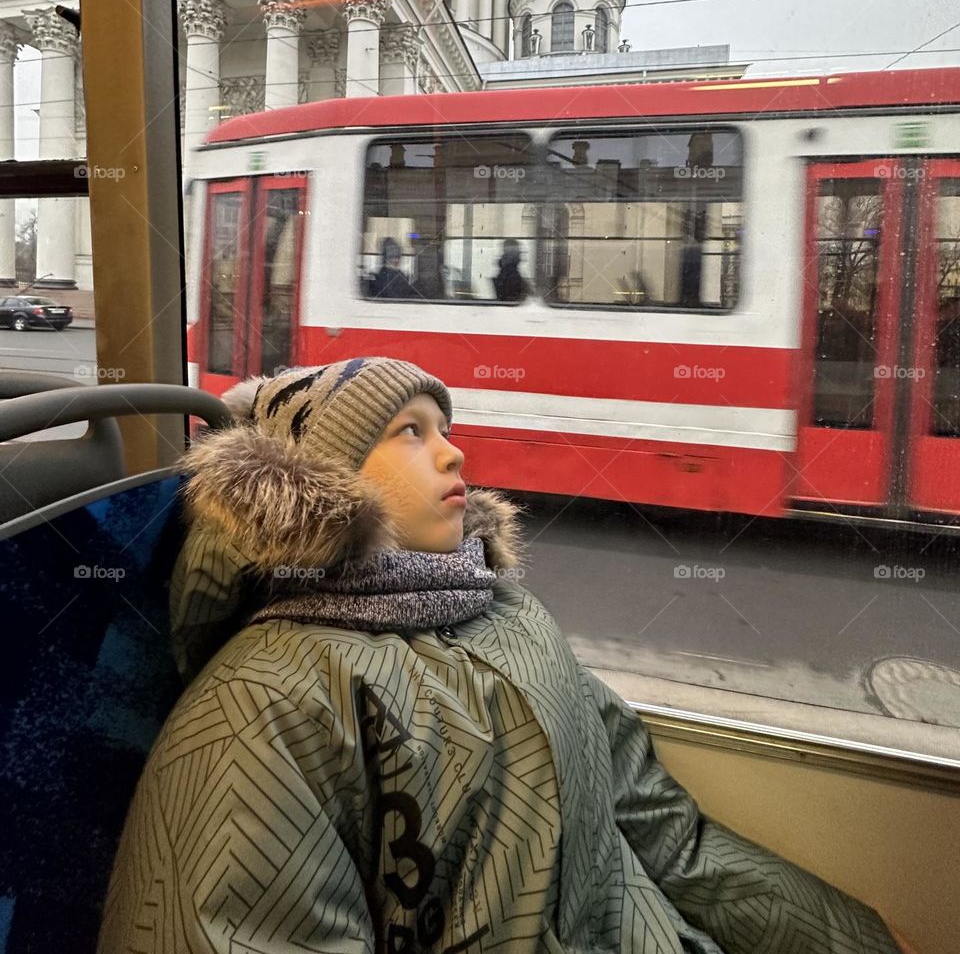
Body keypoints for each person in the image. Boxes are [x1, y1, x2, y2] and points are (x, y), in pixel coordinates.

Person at [98, 358, 908, 954]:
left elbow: (662, 834)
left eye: (445, 430)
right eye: (408, 432)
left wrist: (855, 941)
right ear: (322, 483)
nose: (453, 454)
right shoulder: (262, 710)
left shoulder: (511, 620)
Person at [492, 237, 530, 302]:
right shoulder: (511, 275)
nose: (520, 256)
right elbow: (514, 297)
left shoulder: (505, 272)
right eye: (518, 253)